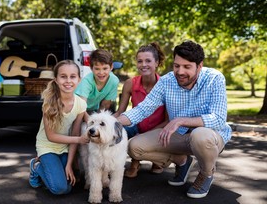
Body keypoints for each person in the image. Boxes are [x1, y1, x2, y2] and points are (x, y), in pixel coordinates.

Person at [117, 40, 232, 198]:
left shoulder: (214, 79)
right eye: (177, 65)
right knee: (134, 147)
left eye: (187, 67)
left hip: (208, 138)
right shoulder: (166, 81)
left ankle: (206, 173)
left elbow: (218, 119)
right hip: (178, 136)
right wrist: (113, 122)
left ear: (199, 66)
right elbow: (143, 109)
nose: (180, 71)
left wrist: (180, 120)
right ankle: (182, 162)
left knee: (200, 135)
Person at [29, 60, 90, 195]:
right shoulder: (49, 102)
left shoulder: (80, 104)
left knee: (71, 185)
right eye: (63, 76)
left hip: (65, 147)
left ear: (79, 79)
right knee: (60, 188)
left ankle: (52, 167)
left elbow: (74, 134)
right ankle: (36, 167)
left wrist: (69, 164)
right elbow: (51, 137)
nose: (68, 81)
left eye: (72, 76)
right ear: (56, 79)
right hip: (47, 146)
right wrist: (79, 140)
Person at [113, 43, 168, 177]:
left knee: (152, 143)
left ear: (157, 63)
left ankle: (150, 160)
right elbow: (121, 112)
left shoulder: (166, 85)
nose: (143, 64)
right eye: (140, 61)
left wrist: (146, 135)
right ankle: (115, 166)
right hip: (137, 125)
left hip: (158, 128)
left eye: (148, 61)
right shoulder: (130, 83)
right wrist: (107, 123)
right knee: (116, 131)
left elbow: (167, 120)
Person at [75, 49, 119, 118]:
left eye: (105, 68)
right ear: (91, 68)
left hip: (92, 110)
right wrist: (90, 122)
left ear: (111, 67)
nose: (101, 73)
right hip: (76, 109)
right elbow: (81, 107)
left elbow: (105, 105)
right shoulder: (87, 82)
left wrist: (98, 121)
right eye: (97, 69)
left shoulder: (114, 81)